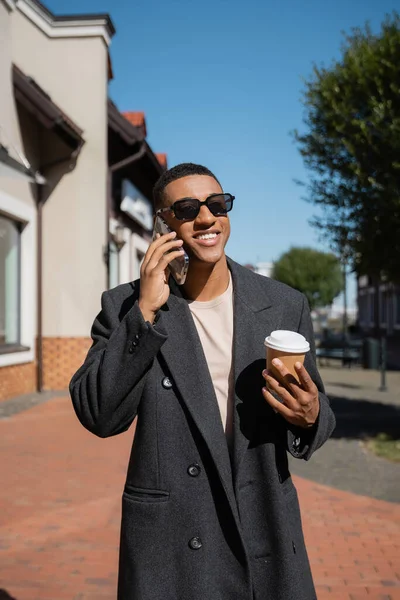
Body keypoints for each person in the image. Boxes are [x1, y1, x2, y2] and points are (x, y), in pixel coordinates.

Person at [70, 163, 336, 600]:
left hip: (263, 522)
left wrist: (311, 416)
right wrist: (145, 314)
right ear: (163, 224)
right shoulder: (124, 306)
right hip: (175, 538)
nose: (208, 218)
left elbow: (317, 412)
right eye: (188, 208)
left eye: (218, 204)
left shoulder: (283, 304)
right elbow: (99, 414)